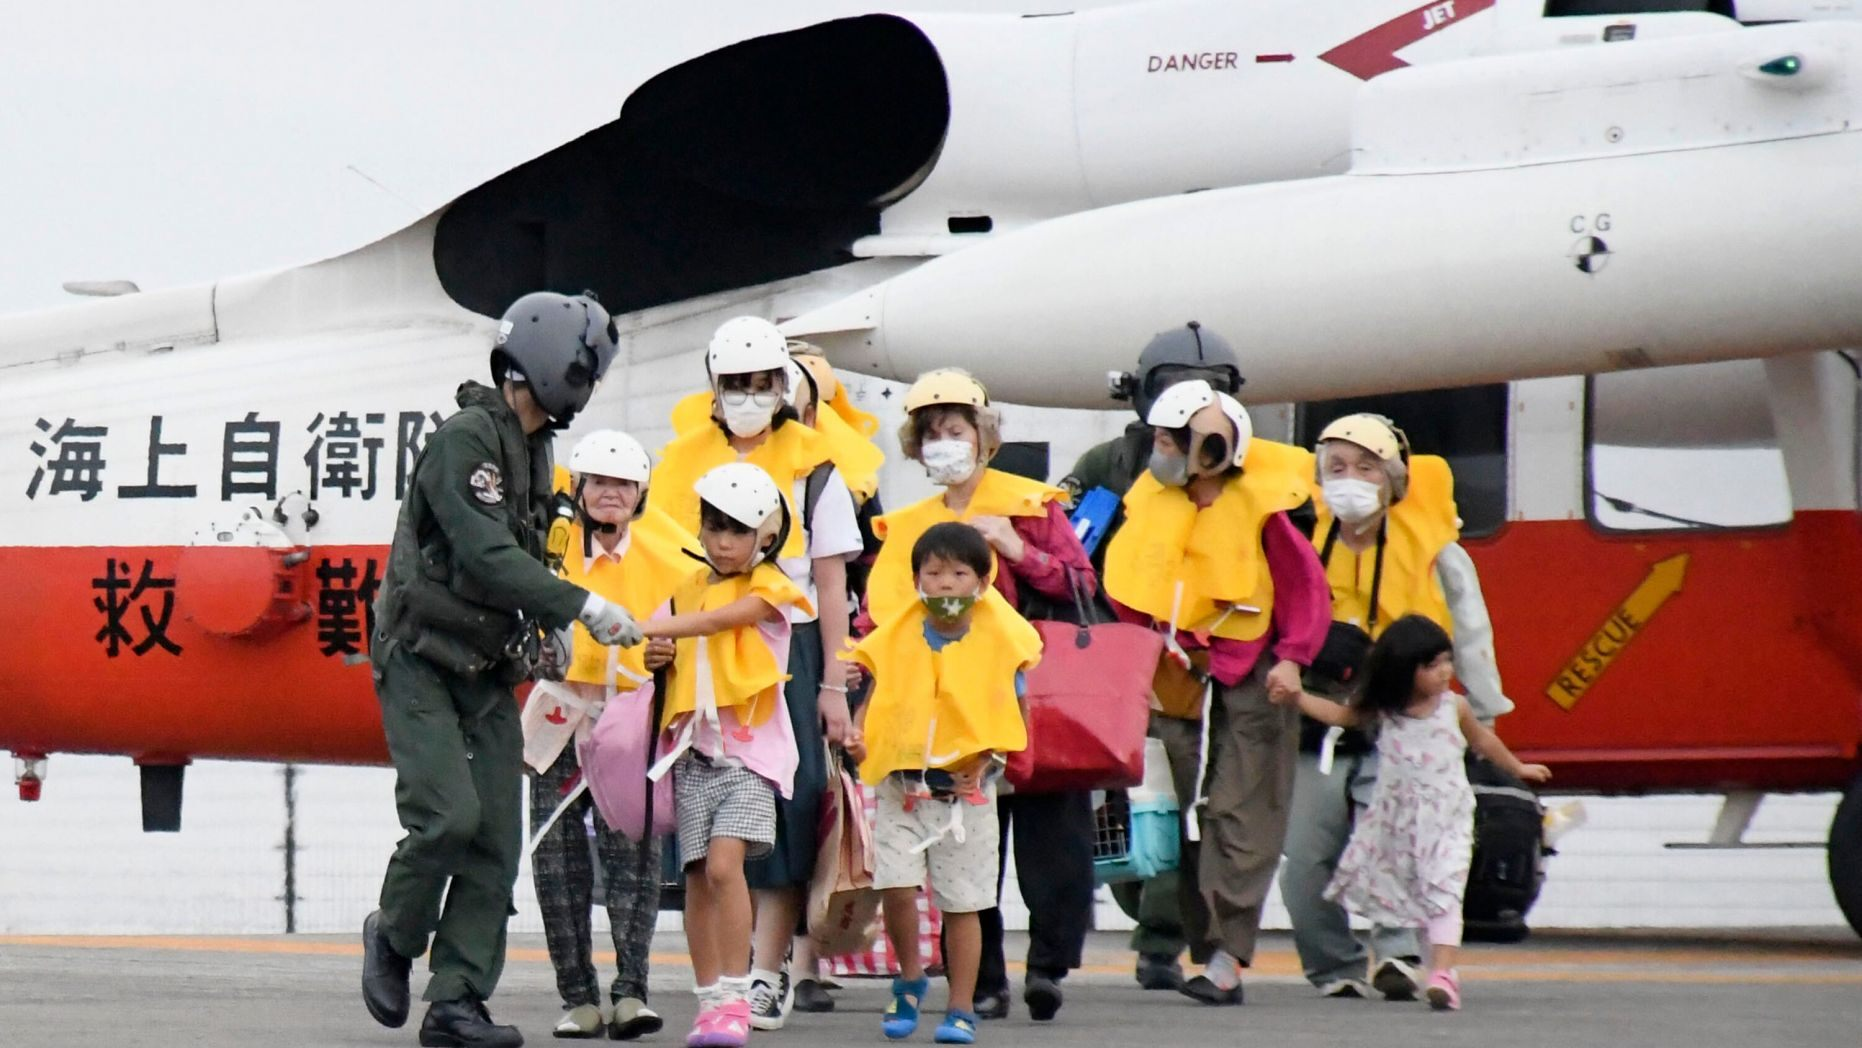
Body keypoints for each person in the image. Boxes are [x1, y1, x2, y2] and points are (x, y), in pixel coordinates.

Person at [362, 291, 645, 1048]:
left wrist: (547, 627)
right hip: (421, 658)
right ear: (561, 367)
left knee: (495, 842)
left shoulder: (534, 449)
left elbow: (530, 554)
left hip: (485, 667)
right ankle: (393, 933)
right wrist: (584, 606)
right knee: (448, 818)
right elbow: (486, 554)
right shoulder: (467, 441)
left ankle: (456, 1002)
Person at [854, 368, 1098, 1022]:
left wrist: (1017, 547)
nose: (942, 443)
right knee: (962, 857)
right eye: (930, 433)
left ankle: (1047, 966)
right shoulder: (907, 526)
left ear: (983, 434)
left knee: (1053, 843)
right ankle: (983, 981)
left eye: (953, 430)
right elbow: (877, 616)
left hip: (1032, 698)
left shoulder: (1032, 504)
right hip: (936, 717)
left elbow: (1080, 586)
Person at [651, 317, 862, 1031]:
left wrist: (834, 685)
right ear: (713, 387)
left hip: (786, 640)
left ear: (783, 387)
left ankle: (769, 971)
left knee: (793, 799)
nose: (747, 396)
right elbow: (661, 560)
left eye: (761, 383)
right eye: (733, 384)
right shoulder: (680, 461)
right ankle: (722, 980)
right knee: (701, 825)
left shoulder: (819, 466)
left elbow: (831, 585)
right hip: (693, 642)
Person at [1101, 378, 1329, 1006]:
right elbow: (1126, 592)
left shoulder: (1262, 512)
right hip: (1169, 671)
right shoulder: (1149, 505)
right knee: (1155, 814)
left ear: (1210, 447)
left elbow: (1307, 590)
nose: (1160, 450)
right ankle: (1176, 938)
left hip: (1254, 674)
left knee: (1238, 811)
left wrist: (1292, 660)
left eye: (1172, 441)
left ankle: (1225, 958)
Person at [1278, 413, 1516, 1002]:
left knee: (1400, 839)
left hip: (1403, 719)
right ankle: (1332, 966)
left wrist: (1482, 712)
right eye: (1336, 467)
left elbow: (1470, 627)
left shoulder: (1436, 550)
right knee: (1306, 858)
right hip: (1323, 716)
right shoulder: (1296, 539)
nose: (1350, 478)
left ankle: (1397, 955)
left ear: (1393, 479)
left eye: (1365, 467)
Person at [1058, 322, 1245, 990]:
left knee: (1179, 807)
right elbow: (1069, 552)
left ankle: (1162, 941)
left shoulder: (1239, 474)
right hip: (1113, 665)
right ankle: (1157, 925)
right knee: (1123, 812)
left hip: (1195, 669)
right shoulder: (1110, 465)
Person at [1275, 615, 1551, 1011]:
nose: (1444, 673)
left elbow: (1483, 741)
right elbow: (1343, 716)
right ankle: (1398, 960)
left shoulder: (1454, 707)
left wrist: (1518, 768)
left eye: (1446, 662)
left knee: (1445, 891)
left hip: (1448, 818)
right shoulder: (1387, 711)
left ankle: (1441, 973)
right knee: (1402, 887)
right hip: (1399, 819)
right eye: (1431, 666)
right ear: (1404, 671)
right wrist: (1298, 697)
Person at [523, 430, 695, 1040]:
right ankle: (577, 998)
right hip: (559, 713)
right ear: (579, 488)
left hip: (630, 718)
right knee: (554, 856)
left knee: (635, 853)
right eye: (599, 483)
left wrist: (665, 658)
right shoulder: (549, 549)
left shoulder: (674, 553)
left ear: (641, 491)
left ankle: (632, 992)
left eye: (622, 484)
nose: (610, 495)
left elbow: (688, 637)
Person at [844, 522, 1043, 1046]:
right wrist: (859, 739)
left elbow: (1016, 714)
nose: (947, 584)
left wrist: (990, 763)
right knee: (895, 885)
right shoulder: (894, 639)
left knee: (965, 903)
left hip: (967, 796)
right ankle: (909, 977)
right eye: (934, 573)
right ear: (916, 581)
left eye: (959, 573)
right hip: (902, 789)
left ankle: (960, 1006)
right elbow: (871, 705)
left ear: (982, 581)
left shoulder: (1003, 640)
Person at [637, 462, 812, 1048]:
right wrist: (654, 654)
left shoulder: (773, 588)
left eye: (737, 531)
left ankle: (737, 993)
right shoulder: (685, 587)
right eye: (714, 528)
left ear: (765, 536)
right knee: (694, 878)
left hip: (751, 761)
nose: (723, 542)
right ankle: (709, 999)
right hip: (691, 753)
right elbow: (669, 650)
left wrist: (646, 626)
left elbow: (715, 621)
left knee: (722, 866)